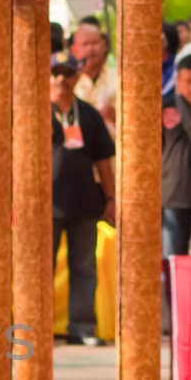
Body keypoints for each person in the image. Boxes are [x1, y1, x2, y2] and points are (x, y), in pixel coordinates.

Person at [51, 60, 116, 346]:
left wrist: (111, 198)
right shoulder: (36, 111)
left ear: (77, 77)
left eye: (67, 74)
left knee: (84, 267)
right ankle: (35, 324)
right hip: (45, 205)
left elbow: (104, 160)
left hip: (85, 202)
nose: (60, 79)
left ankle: (82, 327)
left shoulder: (88, 115)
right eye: (55, 74)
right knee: (40, 266)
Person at [162, 54, 191, 257]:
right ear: (177, 81)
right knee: (173, 257)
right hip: (175, 192)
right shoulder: (165, 106)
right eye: (188, 82)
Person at [70, 18, 116, 129]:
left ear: (104, 46)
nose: (90, 49)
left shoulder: (120, 77)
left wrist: (116, 116)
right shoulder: (68, 82)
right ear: (74, 50)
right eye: (85, 44)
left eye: (94, 43)